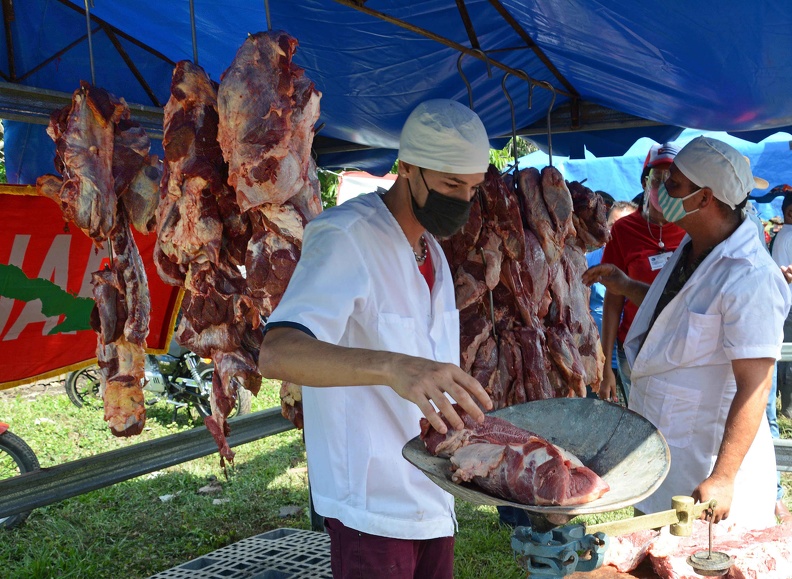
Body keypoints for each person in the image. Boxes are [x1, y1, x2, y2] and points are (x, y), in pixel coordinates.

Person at [257, 99, 494, 578]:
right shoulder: (346, 235)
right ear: (406, 168)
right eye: (451, 185)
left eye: (472, 189)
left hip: (434, 495)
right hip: (371, 504)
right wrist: (392, 366)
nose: (463, 201)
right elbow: (277, 352)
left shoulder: (432, 252)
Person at [583, 136, 791, 530]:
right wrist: (627, 286)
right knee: (652, 550)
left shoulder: (751, 276)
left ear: (705, 198)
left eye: (674, 184)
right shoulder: (696, 247)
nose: (662, 191)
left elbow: (756, 385)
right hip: (665, 452)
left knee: (696, 557)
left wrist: (724, 476)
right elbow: (679, 312)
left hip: (705, 468)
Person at [598, 144, 686, 402]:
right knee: (641, 418)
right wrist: (606, 367)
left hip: (683, 349)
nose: (664, 187)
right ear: (645, 183)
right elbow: (613, 301)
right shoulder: (624, 230)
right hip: (635, 349)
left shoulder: (690, 227)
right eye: (657, 179)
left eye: (672, 180)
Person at [586, 200, 638, 402]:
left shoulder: (639, 262)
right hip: (597, 358)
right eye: (613, 226)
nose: (617, 232)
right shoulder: (589, 261)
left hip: (630, 357)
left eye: (625, 225)